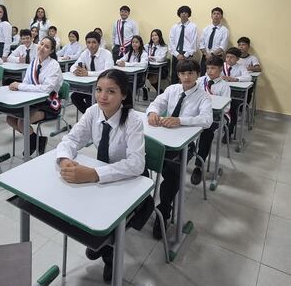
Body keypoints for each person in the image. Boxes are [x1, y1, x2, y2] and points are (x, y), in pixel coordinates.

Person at [56, 69, 148, 283]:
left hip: (131, 181)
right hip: (103, 176)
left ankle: (109, 255)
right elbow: (71, 140)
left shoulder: (133, 120)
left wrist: (94, 174)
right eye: (98, 90)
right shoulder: (93, 112)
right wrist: (64, 159)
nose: (102, 96)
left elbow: (136, 164)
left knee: (107, 218)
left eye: (111, 91)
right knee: (79, 205)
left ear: (124, 95)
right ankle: (100, 242)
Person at [146, 58, 212, 240]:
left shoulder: (203, 96)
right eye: (183, 73)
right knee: (138, 160)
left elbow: (207, 120)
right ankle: (141, 205)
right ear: (178, 75)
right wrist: (152, 112)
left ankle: (164, 211)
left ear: (198, 75)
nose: (187, 77)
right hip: (163, 139)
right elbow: (157, 103)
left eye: (191, 73)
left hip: (185, 145)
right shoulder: (172, 89)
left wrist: (180, 121)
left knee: (173, 174)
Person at [5, 37, 63, 156]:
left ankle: (33, 142)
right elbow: (26, 82)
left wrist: (20, 86)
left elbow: (45, 90)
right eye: (41, 44)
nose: (42, 48)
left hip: (49, 103)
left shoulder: (54, 65)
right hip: (33, 101)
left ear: (51, 51)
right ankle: (38, 140)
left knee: (22, 122)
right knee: (10, 119)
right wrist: (20, 86)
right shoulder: (34, 62)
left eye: (47, 47)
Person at [190, 55, 231, 185]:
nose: (209, 71)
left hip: (215, 117)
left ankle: (198, 166)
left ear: (220, 69)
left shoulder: (224, 86)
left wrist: (209, 104)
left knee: (206, 133)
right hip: (196, 114)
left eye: (213, 68)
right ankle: (185, 156)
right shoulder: (199, 81)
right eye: (208, 68)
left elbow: (226, 107)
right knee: (185, 129)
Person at [70, 31, 114, 114]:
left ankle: (94, 116)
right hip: (90, 85)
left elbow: (108, 71)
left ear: (99, 43)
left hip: (104, 86)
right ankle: (89, 116)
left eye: (94, 42)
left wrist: (88, 73)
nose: (91, 45)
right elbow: (73, 67)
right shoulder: (85, 53)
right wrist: (76, 71)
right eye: (88, 42)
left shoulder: (106, 54)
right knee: (74, 97)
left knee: (91, 99)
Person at [222, 47, 252, 136]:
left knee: (231, 110)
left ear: (238, 59)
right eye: (227, 57)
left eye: (232, 57)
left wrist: (235, 79)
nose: (229, 59)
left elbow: (248, 77)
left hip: (235, 94)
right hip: (222, 93)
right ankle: (223, 126)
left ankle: (228, 131)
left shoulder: (240, 67)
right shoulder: (221, 66)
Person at [169, 5, 198, 85]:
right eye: (182, 12)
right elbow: (171, 41)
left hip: (187, 54)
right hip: (176, 54)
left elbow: (193, 42)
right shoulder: (175, 27)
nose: (184, 14)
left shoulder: (193, 26)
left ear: (189, 14)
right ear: (179, 14)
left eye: (186, 12)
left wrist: (185, 55)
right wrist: (177, 54)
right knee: (175, 75)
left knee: (186, 76)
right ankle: (174, 91)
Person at [116, 35, 148, 100]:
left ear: (140, 44)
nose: (134, 44)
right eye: (133, 42)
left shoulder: (144, 53)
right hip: (128, 75)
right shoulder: (130, 52)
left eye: (136, 42)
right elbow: (120, 60)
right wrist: (119, 62)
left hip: (138, 77)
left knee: (128, 84)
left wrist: (127, 64)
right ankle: (121, 99)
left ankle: (129, 101)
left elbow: (143, 64)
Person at [199, 7, 229, 72]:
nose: (216, 15)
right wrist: (206, 54)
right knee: (203, 75)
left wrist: (211, 55)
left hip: (217, 57)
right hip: (205, 57)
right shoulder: (206, 29)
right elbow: (201, 44)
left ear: (221, 16)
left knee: (216, 75)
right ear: (211, 16)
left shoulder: (224, 30)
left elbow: (223, 46)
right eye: (214, 14)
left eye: (218, 14)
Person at [146, 28, 168, 94]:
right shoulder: (147, 46)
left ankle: (159, 92)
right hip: (148, 67)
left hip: (159, 68)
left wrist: (152, 57)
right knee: (142, 74)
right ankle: (146, 90)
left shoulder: (164, 47)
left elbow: (162, 58)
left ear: (159, 36)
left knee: (153, 77)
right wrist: (149, 57)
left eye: (156, 35)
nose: (154, 37)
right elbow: (143, 55)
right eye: (152, 35)